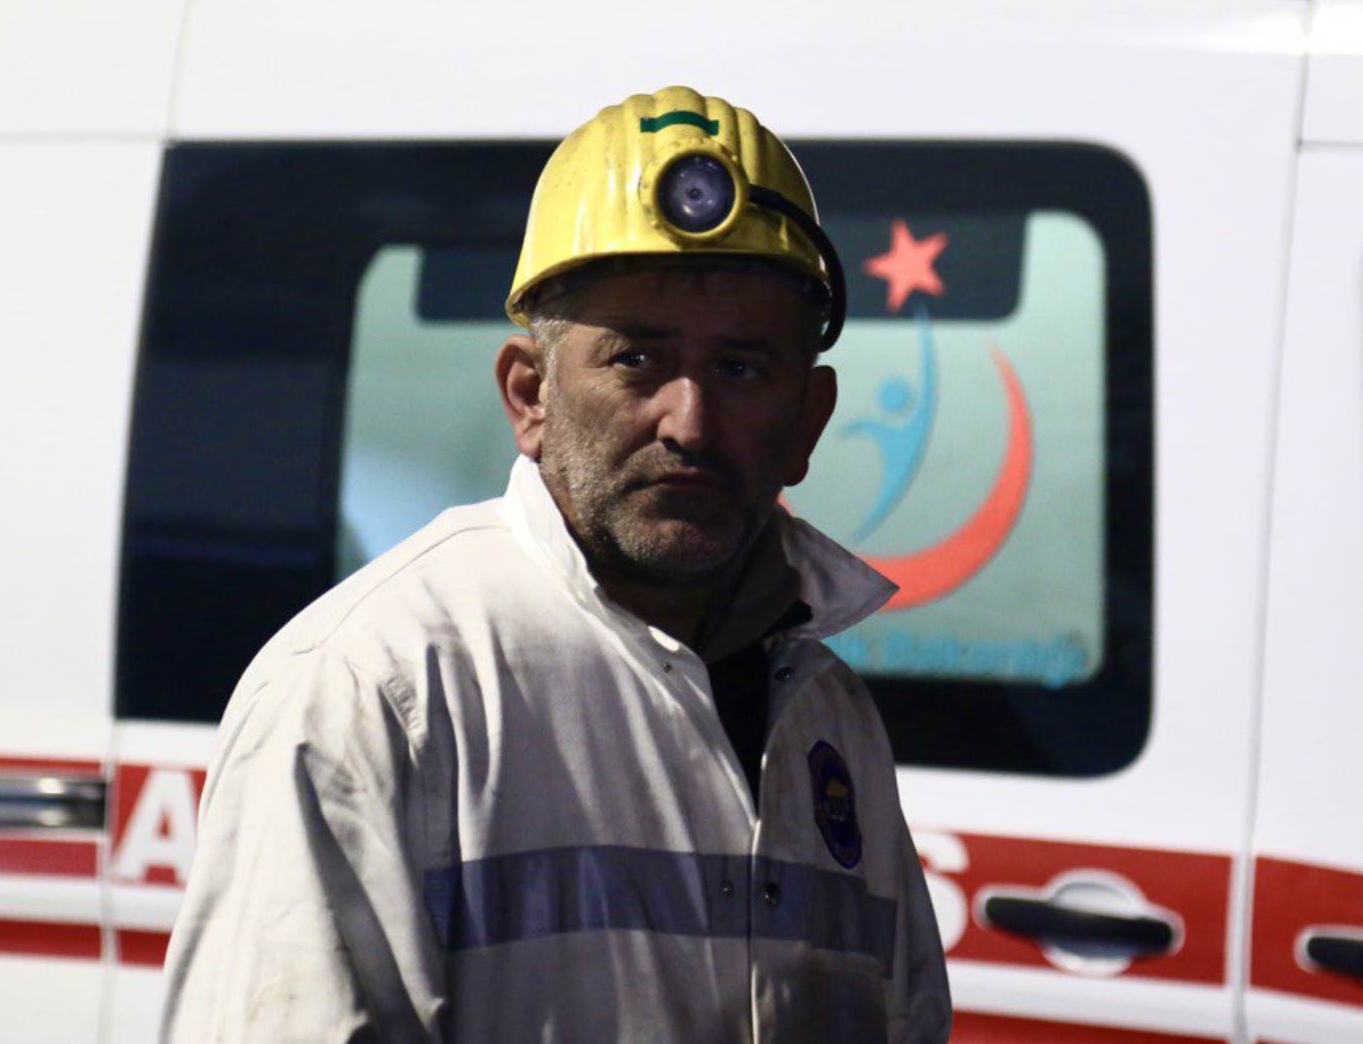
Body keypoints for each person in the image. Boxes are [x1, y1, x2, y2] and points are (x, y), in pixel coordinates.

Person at [162, 85, 954, 1042]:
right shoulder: (376, 688)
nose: (690, 421)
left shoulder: (828, 715)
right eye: (636, 359)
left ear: (808, 422)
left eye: (742, 367)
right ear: (529, 395)